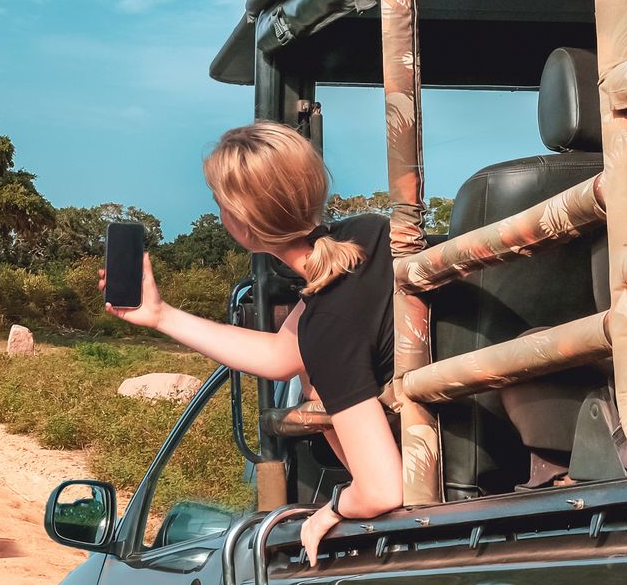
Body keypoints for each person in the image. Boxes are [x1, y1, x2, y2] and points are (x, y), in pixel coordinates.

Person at [101, 120, 405, 561]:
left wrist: (332, 509)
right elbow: (280, 353)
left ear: (241, 224)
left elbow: (381, 488)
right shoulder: (372, 233)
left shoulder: (328, 326)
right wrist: (160, 315)